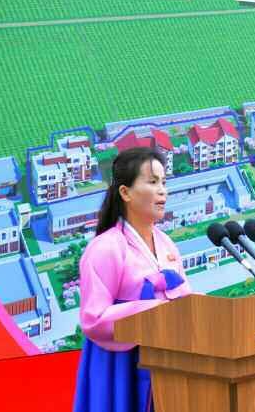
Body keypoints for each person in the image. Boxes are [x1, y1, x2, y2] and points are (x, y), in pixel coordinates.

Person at [73, 147, 192, 412]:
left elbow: (185, 300)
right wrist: (157, 312)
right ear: (125, 192)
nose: (163, 191)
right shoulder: (105, 248)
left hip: (168, 360)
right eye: (152, 182)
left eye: (163, 182)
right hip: (120, 364)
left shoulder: (166, 243)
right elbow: (94, 319)